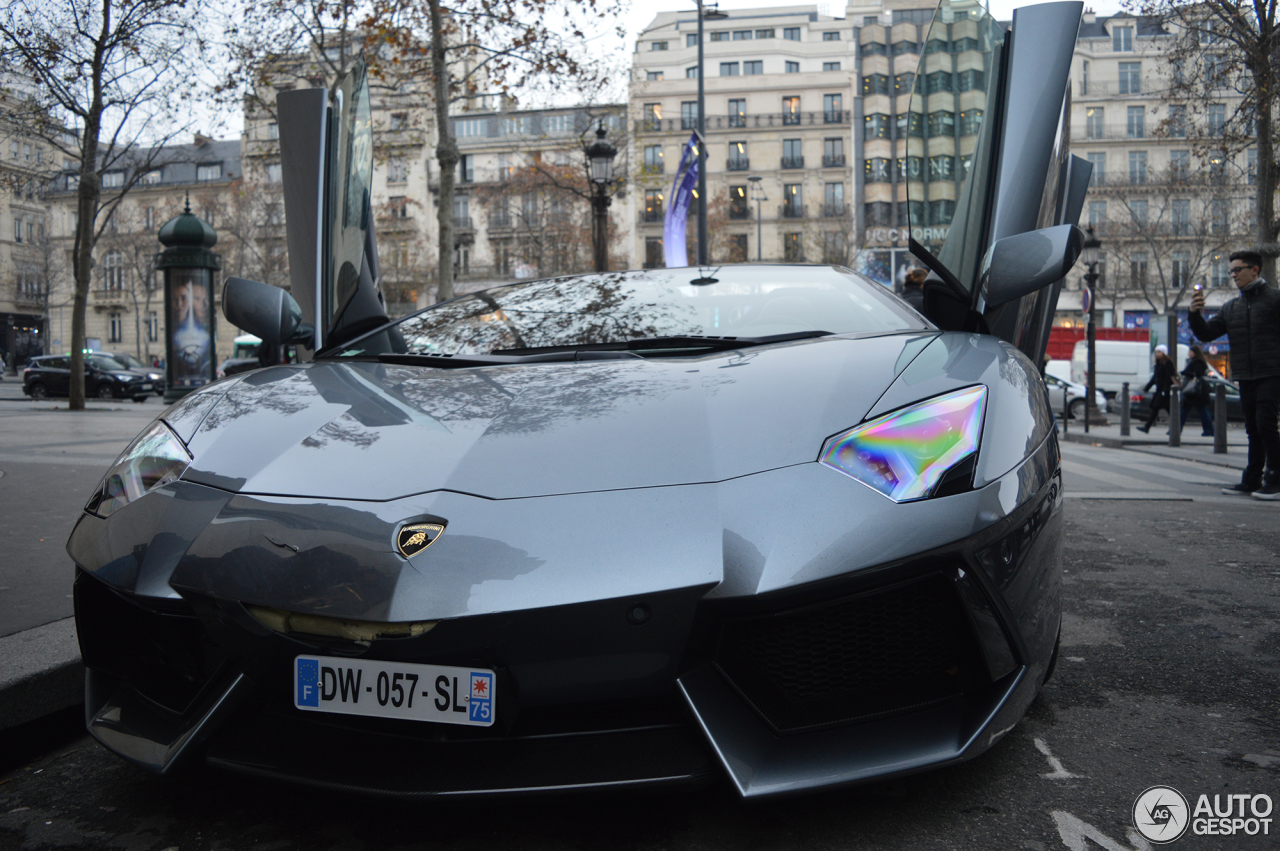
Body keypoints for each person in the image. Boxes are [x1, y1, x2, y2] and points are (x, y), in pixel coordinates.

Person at [1190, 249, 1280, 498]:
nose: (1233, 275)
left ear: (1254, 270)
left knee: (1266, 424)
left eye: (1237, 270)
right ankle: (1252, 479)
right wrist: (1194, 314)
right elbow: (1206, 334)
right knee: (1252, 427)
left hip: (1272, 372)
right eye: (1231, 271)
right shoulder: (1232, 308)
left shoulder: (1275, 299)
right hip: (1245, 374)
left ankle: (1275, 477)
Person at [1137, 344, 1176, 433]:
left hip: (1164, 391)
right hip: (1160, 390)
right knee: (1168, 410)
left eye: (1159, 352)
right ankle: (1175, 427)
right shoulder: (1158, 364)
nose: (1157, 354)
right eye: (1156, 352)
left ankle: (1147, 427)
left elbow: (1168, 377)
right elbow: (1155, 378)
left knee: (1156, 408)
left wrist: (1165, 390)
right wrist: (1146, 388)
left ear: (1164, 353)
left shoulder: (1167, 363)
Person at [1179, 345, 1214, 437]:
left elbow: (1197, 374)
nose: (1189, 354)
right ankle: (1209, 430)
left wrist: (1185, 373)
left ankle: (1176, 429)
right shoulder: (1196, 362)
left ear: (1195, 353)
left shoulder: (1198, 362)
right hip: (1196, 390)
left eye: (1190, 352)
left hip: (1196, 390)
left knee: (1186, 410)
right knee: (1200, 410)